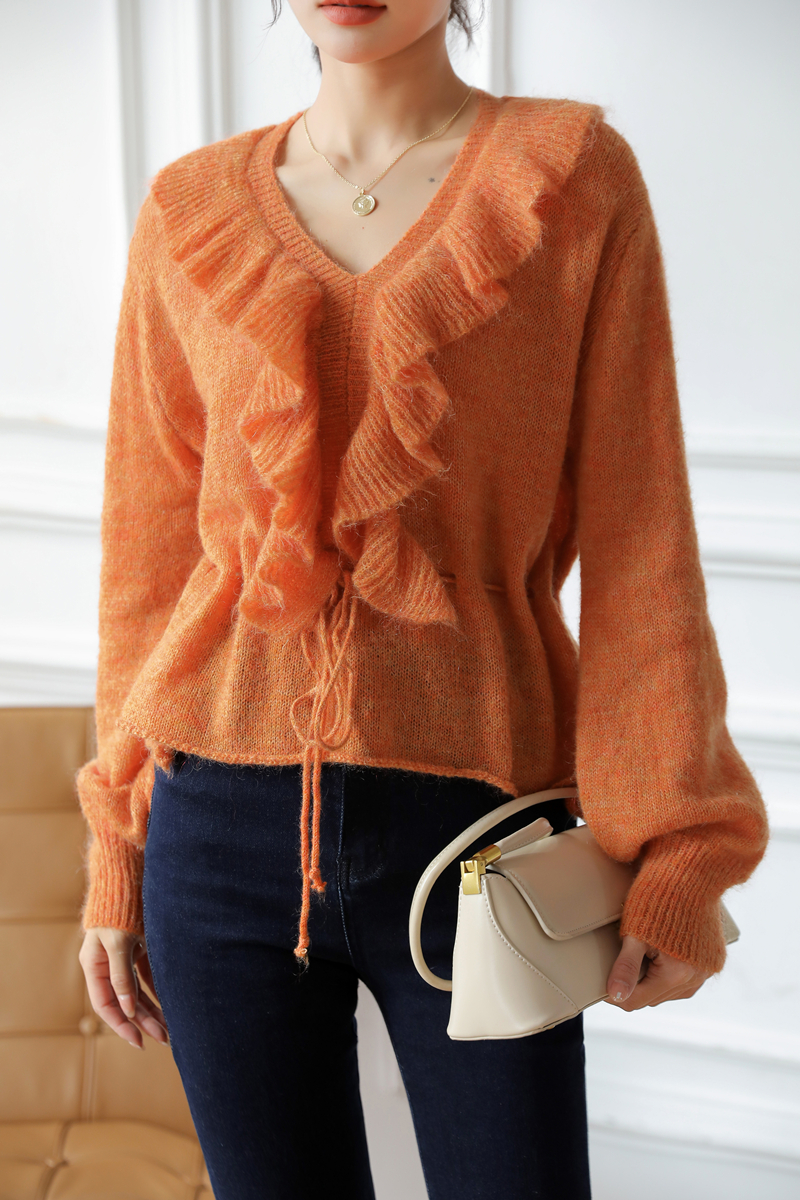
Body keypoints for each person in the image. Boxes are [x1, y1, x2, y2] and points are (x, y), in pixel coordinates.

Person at [75, 2, 769, 1197]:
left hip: (476, 841)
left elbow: (639, 530)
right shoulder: (189, 210)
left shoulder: (572, 183)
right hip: (214, 836)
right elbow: (145, 564)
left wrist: (678, 847)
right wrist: (118, 854)